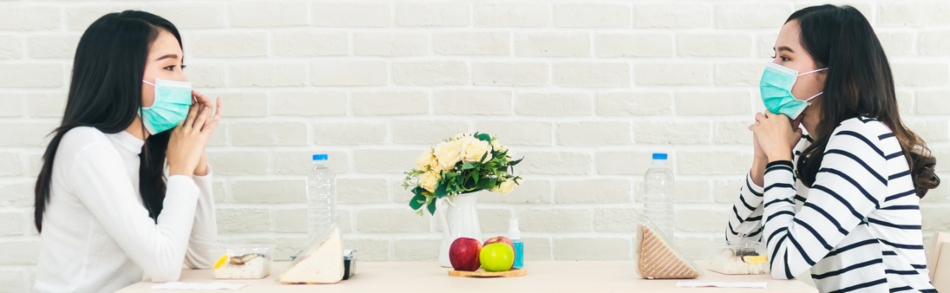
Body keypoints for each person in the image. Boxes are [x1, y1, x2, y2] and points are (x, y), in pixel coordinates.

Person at [727, 5, 941, 293]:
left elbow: (784, 261)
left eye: (786, 57)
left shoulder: (860, 138)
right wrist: (762, 163)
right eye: (774, 56)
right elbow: (740, 245)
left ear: (828, 72)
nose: (773, 68)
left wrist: (779, 159)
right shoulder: (812, 149)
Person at [32, 11, 223, 292]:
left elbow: (204, 258)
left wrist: (196, 161)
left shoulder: (137, 152)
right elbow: (165, 266)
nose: (183, 81)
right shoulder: (86, 146)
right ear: (124, 73)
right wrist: (181, 171)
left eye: (182, 66)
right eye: (169, 68)